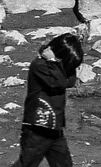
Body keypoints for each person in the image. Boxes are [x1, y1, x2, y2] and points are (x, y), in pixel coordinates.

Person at [11, 32, 83, 167]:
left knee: (64, 164)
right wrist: (52, 61)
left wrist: (66, 66)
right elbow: (59, 82)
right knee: (27, 163)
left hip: (55, 129)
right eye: (66, 63)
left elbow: (70, 82)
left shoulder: (58, 70)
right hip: (37, 128)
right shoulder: (40, 65)